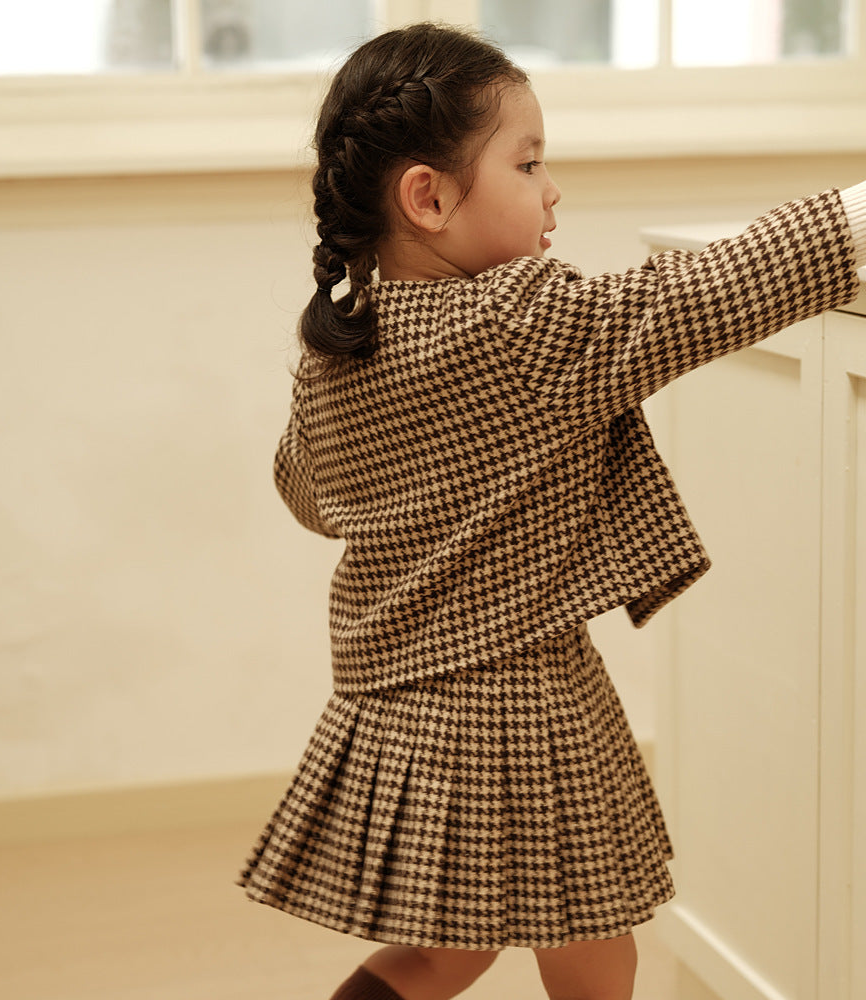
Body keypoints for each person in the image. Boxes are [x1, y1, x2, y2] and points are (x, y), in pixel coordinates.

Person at [237, 21, 866, 1000]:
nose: (552, 187)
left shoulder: (339, 345)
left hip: (401, 710)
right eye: (528, 163)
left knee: (445, 952)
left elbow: (310, 498)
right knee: (596, 953)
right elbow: (699, 293)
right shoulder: (517, 320)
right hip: (519, 704)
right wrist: (853, 216)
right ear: (428, 196)